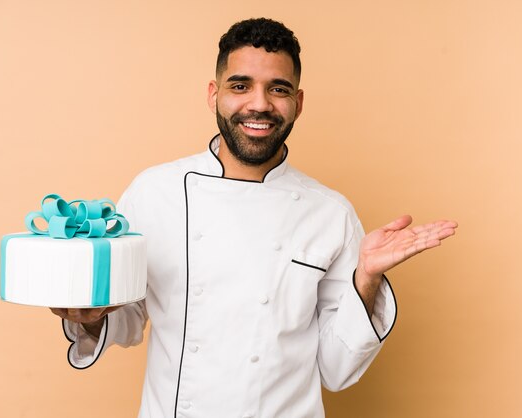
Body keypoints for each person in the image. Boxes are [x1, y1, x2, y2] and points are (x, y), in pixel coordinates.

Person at [51, 18, 457, 418]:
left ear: (297, 103)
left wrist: (366, 279)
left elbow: (336, 369)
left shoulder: (330, 213)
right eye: (240, 85)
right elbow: (126, 320)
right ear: (214, 95)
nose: (259, 104)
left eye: (277, 89)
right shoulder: (154, 192)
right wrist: (89, 319)